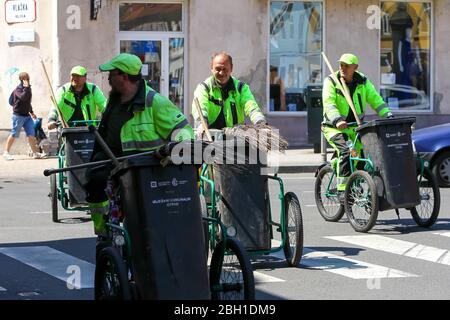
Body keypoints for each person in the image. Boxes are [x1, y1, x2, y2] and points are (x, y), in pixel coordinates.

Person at [85, 53, 194, 236]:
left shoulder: (154, 102)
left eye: (112, 74)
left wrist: (177, 147)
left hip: (146, 169)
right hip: (112, 163)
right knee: (94, 180)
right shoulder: (113, 101)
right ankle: (104, 232)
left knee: (141, 213)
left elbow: (183, 129)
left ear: (124, 77)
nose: (109, 78)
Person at [322, 53, 393, 194]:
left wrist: (388, 115)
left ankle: (359, 183)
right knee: (346, 151)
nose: (342, 68)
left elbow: (376, 100)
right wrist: (337, 120)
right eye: (341, 65)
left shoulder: (363, 82)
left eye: (346, 66)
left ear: (355, 67)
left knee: (363, 153)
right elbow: (329, 103)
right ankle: (343, 190)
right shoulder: (331, 81)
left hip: (355, 127)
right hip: (334, 128)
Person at [192, 52, 266, 137]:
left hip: (235, 139)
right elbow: (200, 107)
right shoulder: (204, 88)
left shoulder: (241, 88)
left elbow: (251, 107)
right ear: (211, 69)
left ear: (231, 69)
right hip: (208, 138)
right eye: (218, 69)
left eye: (225, 69)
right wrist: (202, 124)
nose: (221, 73)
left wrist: (261, 123)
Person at [3, 72, 43, 160]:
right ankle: (6, 152)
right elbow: (23, 98)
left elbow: (28, 102)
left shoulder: (28, 89)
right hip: (18, 116)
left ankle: (35, 153)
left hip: (27, 116)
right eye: (26, 78)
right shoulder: (18, 89)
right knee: (14, 133)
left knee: (31, 134)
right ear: (22, 80)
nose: (28, 80)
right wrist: (26, 87)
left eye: (28, 78)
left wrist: (32, 112)